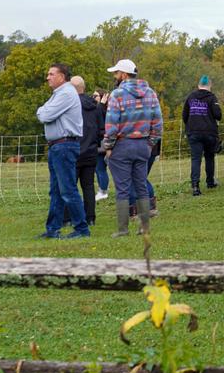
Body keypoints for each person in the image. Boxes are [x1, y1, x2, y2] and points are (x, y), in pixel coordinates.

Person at [102, 59, 163, 237]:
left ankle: (123, 229)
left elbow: (111, 124)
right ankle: (144, 227)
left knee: (122, 188)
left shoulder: (117, 94)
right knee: (141, 186)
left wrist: (108, 146)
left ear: (123, 74)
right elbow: (158, 123)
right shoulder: (150, 93)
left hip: (122, 145)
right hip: (143, 145)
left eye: (116, 73)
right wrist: (150, 143)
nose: (115, 76)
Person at [35, 62, 89, 239]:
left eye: (51, 74)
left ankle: (82, 229)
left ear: (62, 76)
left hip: (64, 145)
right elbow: (43, 112)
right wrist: (43, 111)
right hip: (57, 146)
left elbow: (45, 115)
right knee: (57, 190)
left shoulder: (66, 93)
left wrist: (43, 111)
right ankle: (52, 229)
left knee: (67, 189)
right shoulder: (58, 94)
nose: (47, 77)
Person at [183, 75, 222, 196]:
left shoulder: (191, 97)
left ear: (198, 85)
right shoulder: (212, 97)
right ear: (209, 86)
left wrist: (190, 126)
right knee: (209, 157)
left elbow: (185, 115)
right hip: (209, 132)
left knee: (196, 159)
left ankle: (195, 186)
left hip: (194, 132)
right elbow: (218, 114)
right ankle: (210, 182)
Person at [72, 75, 103, 224]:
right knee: (88, 186)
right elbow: (101, 129)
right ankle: (90, 217)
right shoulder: (95, 107)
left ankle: (68, 218)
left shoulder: (70, 105)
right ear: (83, 88)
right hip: (91, 152)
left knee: (70, 186)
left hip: (74, 150)